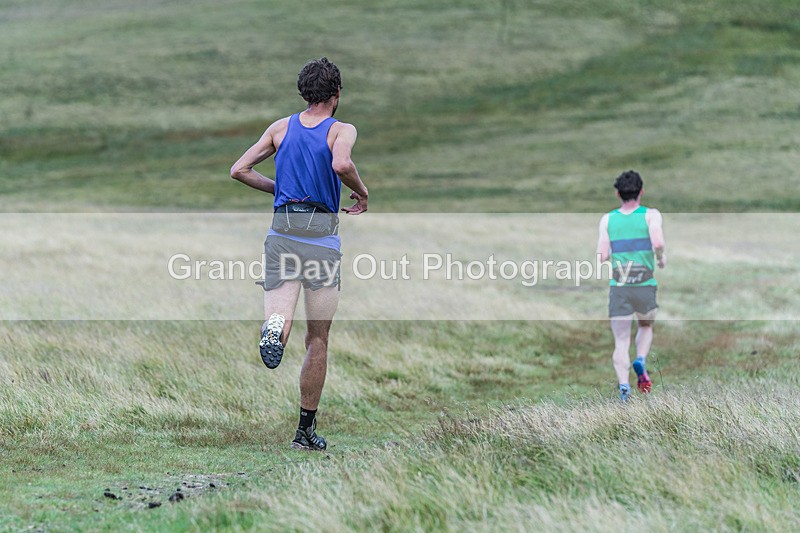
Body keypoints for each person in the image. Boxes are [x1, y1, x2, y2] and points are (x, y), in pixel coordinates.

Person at [230, 57, 369, 450]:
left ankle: (273, 329)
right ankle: (304, 431)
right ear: (337, 94)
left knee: (279, 315)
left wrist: (282, 189)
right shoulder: (341, 129)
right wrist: (362, 191)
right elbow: (341, 163)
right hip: (322, 237)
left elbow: (239, 169)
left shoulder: (280, 128)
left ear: (304, 93)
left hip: (283, 230)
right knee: (318, 338)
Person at [596, 170, 666, 401]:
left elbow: (602, 256)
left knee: (621, 340)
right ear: (641, 191)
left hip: (620, 286)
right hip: (645, 283)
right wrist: (661, 257)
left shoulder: (608, 219)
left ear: (618, 193)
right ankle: (641, 360)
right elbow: (657, 241)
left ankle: (624, 387)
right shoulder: (651, 215)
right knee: (646, 326)